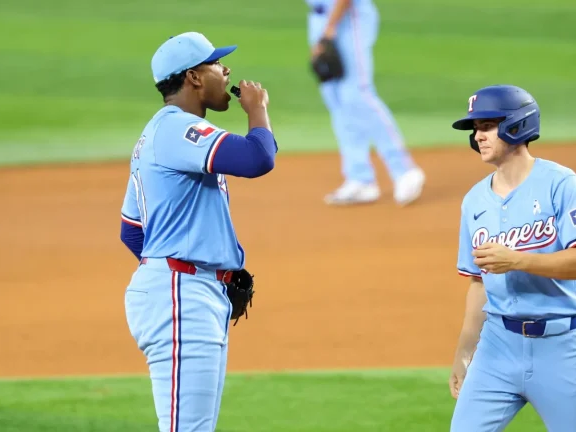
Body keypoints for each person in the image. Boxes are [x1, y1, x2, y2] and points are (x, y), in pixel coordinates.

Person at [118, 32, 277, 432]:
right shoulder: (176, 129)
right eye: (216, 64)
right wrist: (257, 111)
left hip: (186, 291)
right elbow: (258, 157)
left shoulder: (162, 134)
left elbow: (132, 231)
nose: (226, 71)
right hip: (180, 296)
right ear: (192, 77)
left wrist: (199, 269)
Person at [448, 85, 576, 431]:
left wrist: (518, 260)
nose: (479, 137)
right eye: (476, 130)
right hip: (496, 347)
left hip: (559, 348)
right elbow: (478, 282)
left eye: (487, 126)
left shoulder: (561, 184)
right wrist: (464, 352)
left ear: (516, 126)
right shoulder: (474, 201)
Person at [306, 0, 426, 206]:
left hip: (347, 17)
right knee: (336, 99)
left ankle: (404, 169)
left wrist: (330, 27)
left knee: (357, 94)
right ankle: (360, 178)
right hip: (319, 18)